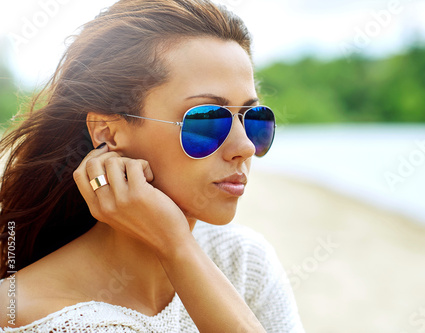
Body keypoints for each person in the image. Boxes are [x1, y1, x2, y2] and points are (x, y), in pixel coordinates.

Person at [0, 0, 304, 331]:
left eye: (253, 118)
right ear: (108, 131)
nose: (244, 146)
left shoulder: (242, 260)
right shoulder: (51, 317)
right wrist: (177, 246)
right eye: (205, 121)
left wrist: (179, 247)